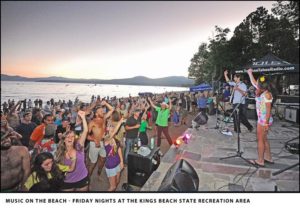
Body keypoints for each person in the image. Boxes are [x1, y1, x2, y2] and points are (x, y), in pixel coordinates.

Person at [55, 110, 89, 191]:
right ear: (64, 140)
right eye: (68, 137)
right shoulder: (59, 152)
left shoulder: (79, 147)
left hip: (82, 178)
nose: (70, 138)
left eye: (72, 136)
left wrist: (83, 117)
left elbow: (85, 131)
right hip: (67, 181)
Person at [247, 68, 274, 167]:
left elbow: (268, 110)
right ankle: (268, 158)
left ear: (261, 85)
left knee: (260, 140)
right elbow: (253, 81)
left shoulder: (266, 95)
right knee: (264, 139)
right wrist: (250, 73)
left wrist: (266, 123)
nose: (256, 83)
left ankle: (260, 160)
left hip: (263, 121)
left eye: (258, 82)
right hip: (263, 120)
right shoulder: (263, 91)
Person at [87, 100, 114, 177]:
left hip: (103, 143)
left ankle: (99, 172)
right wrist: (94, 140)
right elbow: (86, 136)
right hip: (94, 144)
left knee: (103, 159)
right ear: (96, 113)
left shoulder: (104, 118)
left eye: (103, 110)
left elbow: (112, 109)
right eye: (101, 111)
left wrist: (105, 103)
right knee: (93, 163)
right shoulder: (92, 122)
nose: (103, 111)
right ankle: (88, 179)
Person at [103, 117, 125, 191]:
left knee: (117, 182)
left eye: (112, 125)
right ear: (107, 129)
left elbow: (119, 150)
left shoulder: (115, 139)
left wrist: (122, 162)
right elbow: (114, 132)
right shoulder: (106, 139)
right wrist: (120, 122)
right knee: (112, 187)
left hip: (118, 163)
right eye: (109, 126)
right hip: (111, 165)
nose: (112, 127)